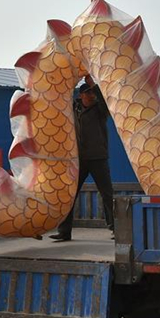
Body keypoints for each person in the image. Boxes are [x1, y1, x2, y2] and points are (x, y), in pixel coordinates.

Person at [50, 75, 114, 242]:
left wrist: (93, 84)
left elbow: (104, 98)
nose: (91, 95)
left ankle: (117, 228)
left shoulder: (101, 110)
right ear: (81, 96)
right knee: (69, 195)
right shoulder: (74, 109)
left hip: (98, 157)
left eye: (92, 93)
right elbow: (60, 99)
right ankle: (64, 232)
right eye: (88, 93)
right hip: (79, 160)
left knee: (107, 194)